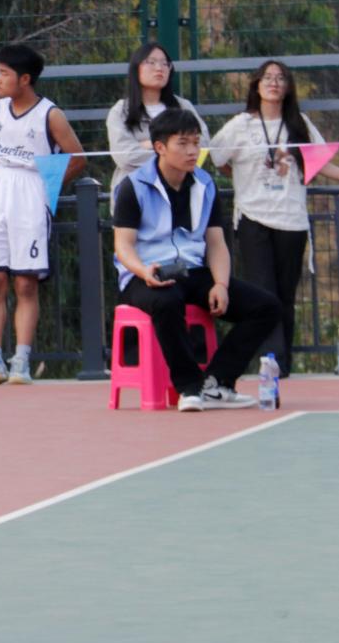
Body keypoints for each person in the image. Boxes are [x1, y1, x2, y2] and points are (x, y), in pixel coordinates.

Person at [113, 109, 280, 411]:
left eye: (196, 142)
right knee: (166, 301)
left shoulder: (205, 184)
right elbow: (123, 245)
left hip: (192, 271)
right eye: (183, 143)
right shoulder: (133, 186)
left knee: (266, 306)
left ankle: (217, 383)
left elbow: (215, 242)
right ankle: (189, 388)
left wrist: (220, 284)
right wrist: (143, 271)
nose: (192, 151)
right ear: (160, 147)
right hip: (145, 274)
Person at [208, 60, 339, 377]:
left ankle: (283, 362)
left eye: (281, 78)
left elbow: (321, 163)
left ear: (288, 86)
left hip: (291, 218)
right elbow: (217, 157)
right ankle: (272, 361)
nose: (274, 82)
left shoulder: (299, 123)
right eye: (267, 77)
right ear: (256, 84)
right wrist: (241, 177)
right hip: (253, 217)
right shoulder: (241, 125)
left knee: (285, 295)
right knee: (263, 291)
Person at [0, 44, 86, 384]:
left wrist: (47, 187)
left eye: (4, 73)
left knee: (25, 282)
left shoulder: (50, 114)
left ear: (24, 79)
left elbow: (78, 157)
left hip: (32, 193)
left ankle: (21, 358)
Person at [106, 42, 210, 196]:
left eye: (165, 63)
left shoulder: (183, 106)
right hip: (136, 192)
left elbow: (203, 143)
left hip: (179, 190)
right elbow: (126, 157)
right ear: (136, 68)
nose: (159, 68)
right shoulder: (121, 111)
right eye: (151, 62)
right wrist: (174, 155)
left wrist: (148, 145)